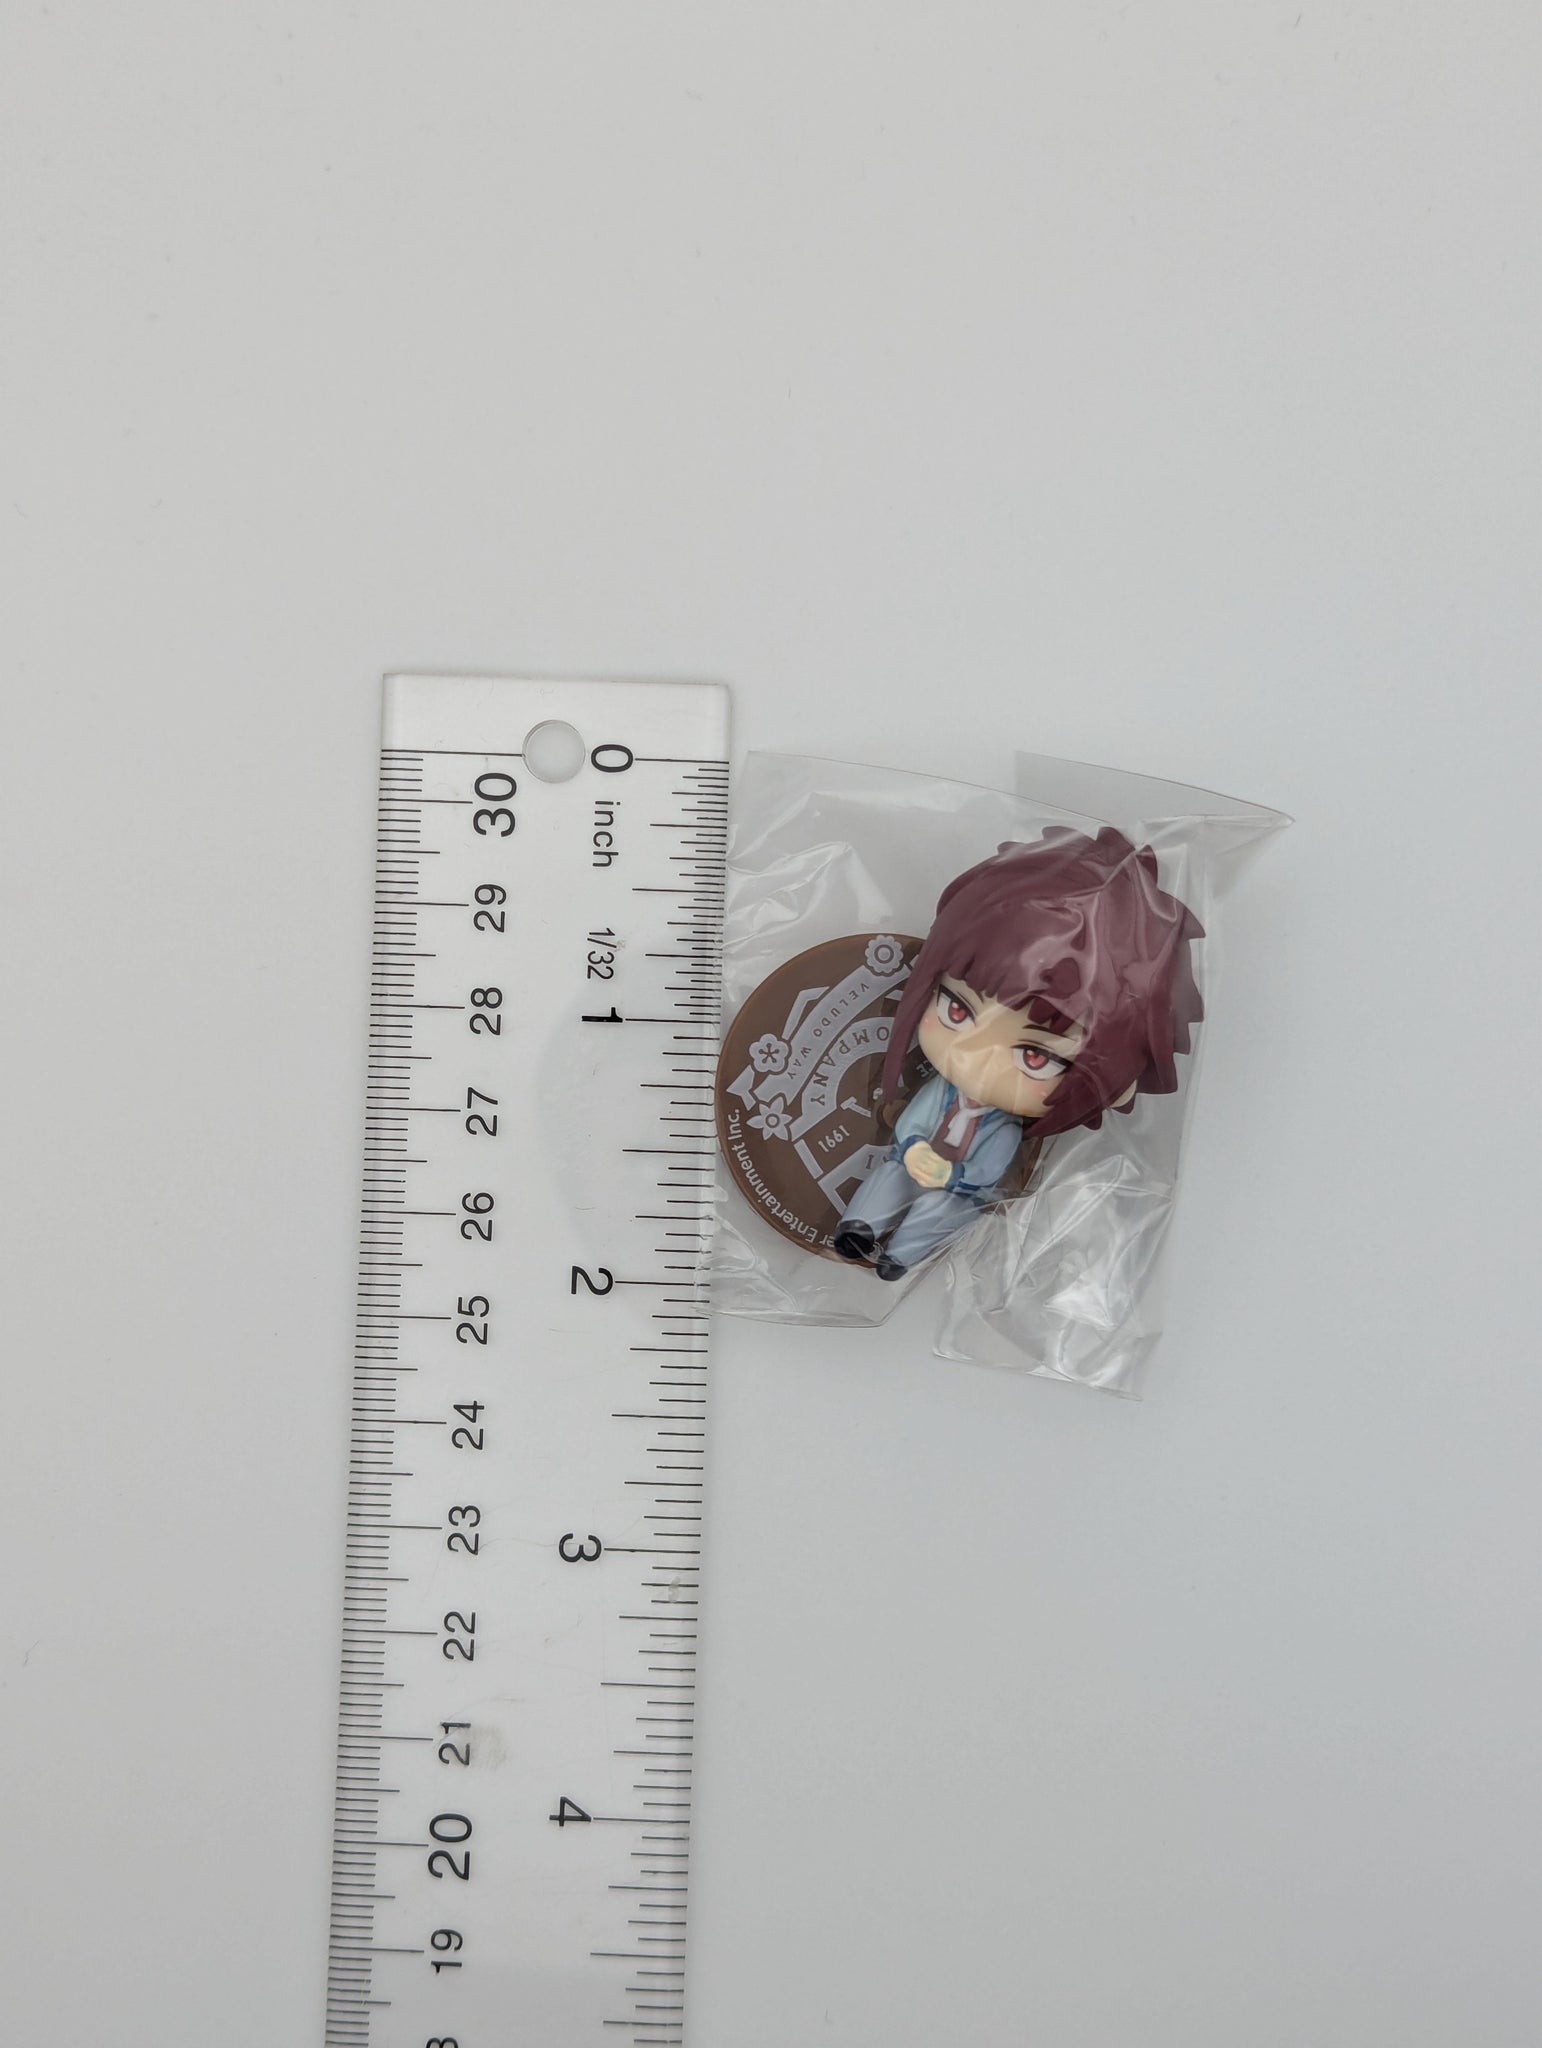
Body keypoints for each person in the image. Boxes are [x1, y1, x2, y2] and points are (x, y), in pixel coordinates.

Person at [832, 827, 1203, 1279]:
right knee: (891, 1176)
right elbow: (913, 1122)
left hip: (957, 1185)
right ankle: (859, 1228)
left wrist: (951, 1177)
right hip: (915, 1158)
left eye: (1035, 1057)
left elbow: (988, 1171)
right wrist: (912, 1148)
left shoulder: (1004, 1129)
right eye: (957, 1009)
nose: (977, 1058)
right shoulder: (940, 1094)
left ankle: (900, 1256)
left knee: (943, 1208)